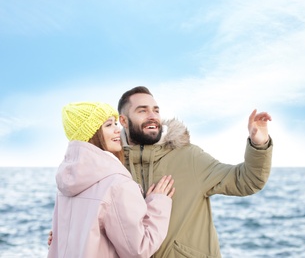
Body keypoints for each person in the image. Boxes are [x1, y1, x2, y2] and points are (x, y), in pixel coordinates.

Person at [117, 86, 273, 257]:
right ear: (123, 121)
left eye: (156, 110)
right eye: (142, 111)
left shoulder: (189, 156)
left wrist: (259, 144)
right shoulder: (112, 165)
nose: (152, 116)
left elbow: (247, 180)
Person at [48, 101, 175, 258]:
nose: (118, 130)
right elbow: (138, 250)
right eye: (109, 125)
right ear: (92, 134)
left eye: (115, 123)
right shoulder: (118, 184)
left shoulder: (66, 182)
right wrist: (158, 203)